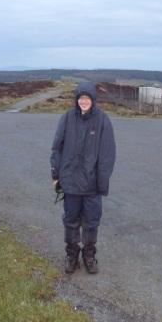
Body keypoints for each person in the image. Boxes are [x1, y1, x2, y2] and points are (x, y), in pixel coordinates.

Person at [50, 81, 116, 274]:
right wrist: (56, 175)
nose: (84, 101)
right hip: (70, 184)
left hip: (91, 186)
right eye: (81, 98)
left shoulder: (102, 121)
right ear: (77, 99)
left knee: (91, 222)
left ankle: (89, 255)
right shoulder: (67, 118)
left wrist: (102, 183)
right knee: (70, 221)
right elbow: (57, 148)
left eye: (87, 98)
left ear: (93, 100)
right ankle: (72, 255)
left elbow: (107, 155)